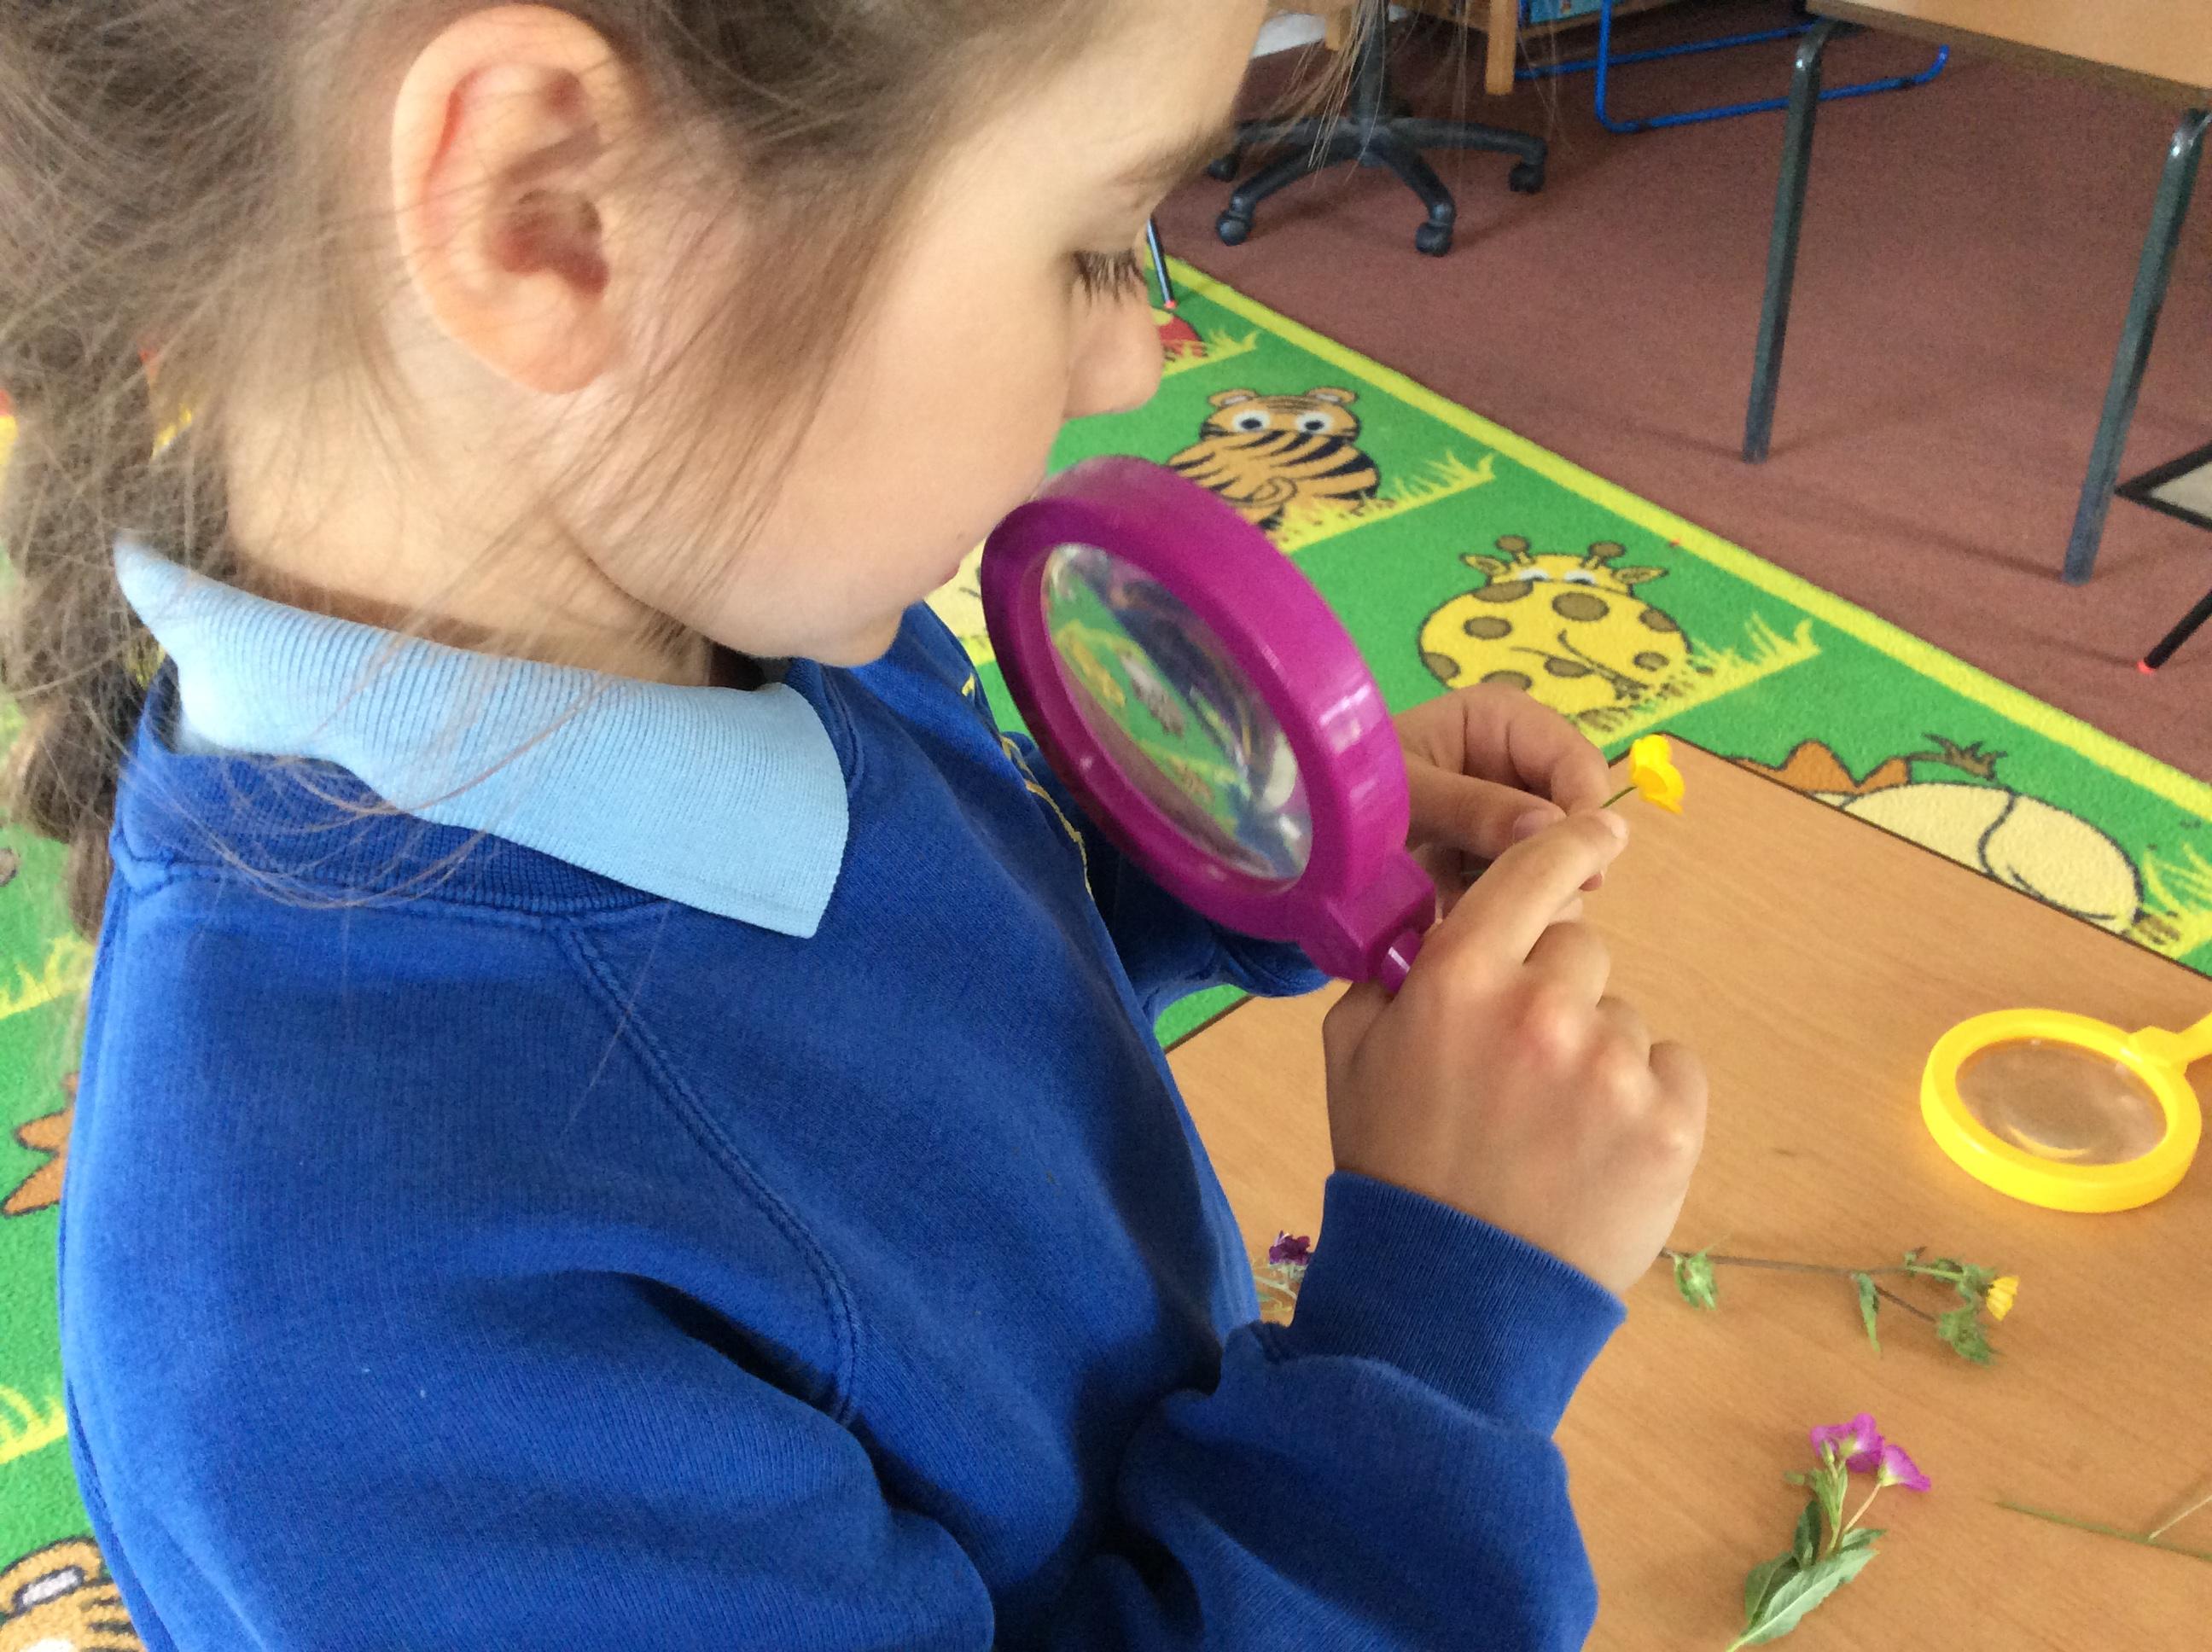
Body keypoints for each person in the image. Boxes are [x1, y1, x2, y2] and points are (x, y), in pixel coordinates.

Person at [0, 2, 1707, 1645]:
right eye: (1093, 248)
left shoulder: (744, 612)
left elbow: (901, 997)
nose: (1136, 359)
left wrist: (1243, 846)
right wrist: (1434, 1346)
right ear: (552, 209)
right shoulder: (343, 1336)